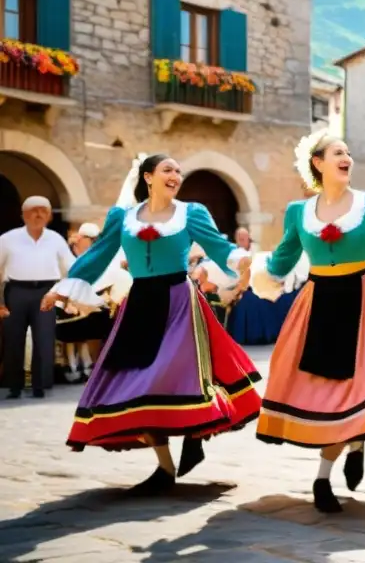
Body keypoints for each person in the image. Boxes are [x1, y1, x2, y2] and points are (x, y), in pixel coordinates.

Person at [42, 154, 262, 495]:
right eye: (167, 169)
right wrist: (61, 289)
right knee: (134, 384)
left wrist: (239, 258)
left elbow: (219, 247)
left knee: (176, 376)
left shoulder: (191, 213)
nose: (175, 175)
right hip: (140, 303)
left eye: (178, 171)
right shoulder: (123, 217)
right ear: (148, 177)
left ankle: (195, 434)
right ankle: (165, 466)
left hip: (178, 303)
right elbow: (98, 255)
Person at [251, 131, 365, 514]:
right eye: (338, 152)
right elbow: (282, 260)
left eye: (349, 152)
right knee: (327, 392)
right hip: (318, 303)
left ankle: (326, 473)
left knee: (363, 384)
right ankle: (342, 458)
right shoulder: (299, 213)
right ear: (318, 163)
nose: (347, 157)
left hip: (363, 300)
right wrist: (249, 273)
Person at [0, 196, 76, 398]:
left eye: (43, 210)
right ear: (23, 215)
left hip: (46, 292)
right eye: (33, 210)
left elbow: (70, 267)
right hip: (16, 291)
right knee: (13, 339)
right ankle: (14, 386)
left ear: (50, 216)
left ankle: (40, 385)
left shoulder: (56, 239)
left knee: (44, 339)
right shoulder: (7, 239)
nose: (38, 214)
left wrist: (63, 294)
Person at [56, 223, 119, 382]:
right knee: (84, 337)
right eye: (90, 239)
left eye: (95, 239)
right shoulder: (72, 258)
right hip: (79, 305)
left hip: (102, 305)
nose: (93, 242)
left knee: (100, 338)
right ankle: (81, 368)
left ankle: (96, 369)